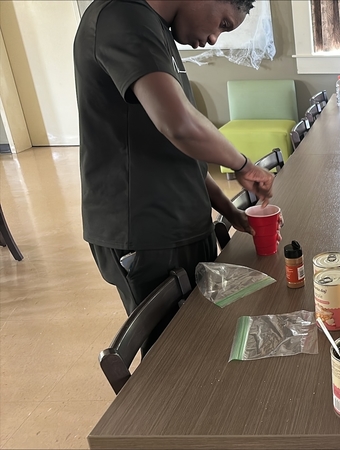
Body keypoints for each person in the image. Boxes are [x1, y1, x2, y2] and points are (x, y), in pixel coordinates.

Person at [74, 0, 275, 352]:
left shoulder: (158, 31)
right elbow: (179, 125)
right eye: (223, 23)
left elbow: (185, 148)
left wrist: (229, 211)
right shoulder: (122, 17)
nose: (214, 38)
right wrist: (243, 165)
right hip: (147, 229)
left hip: (183, 223)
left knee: (204, 342)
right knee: (173, 356)